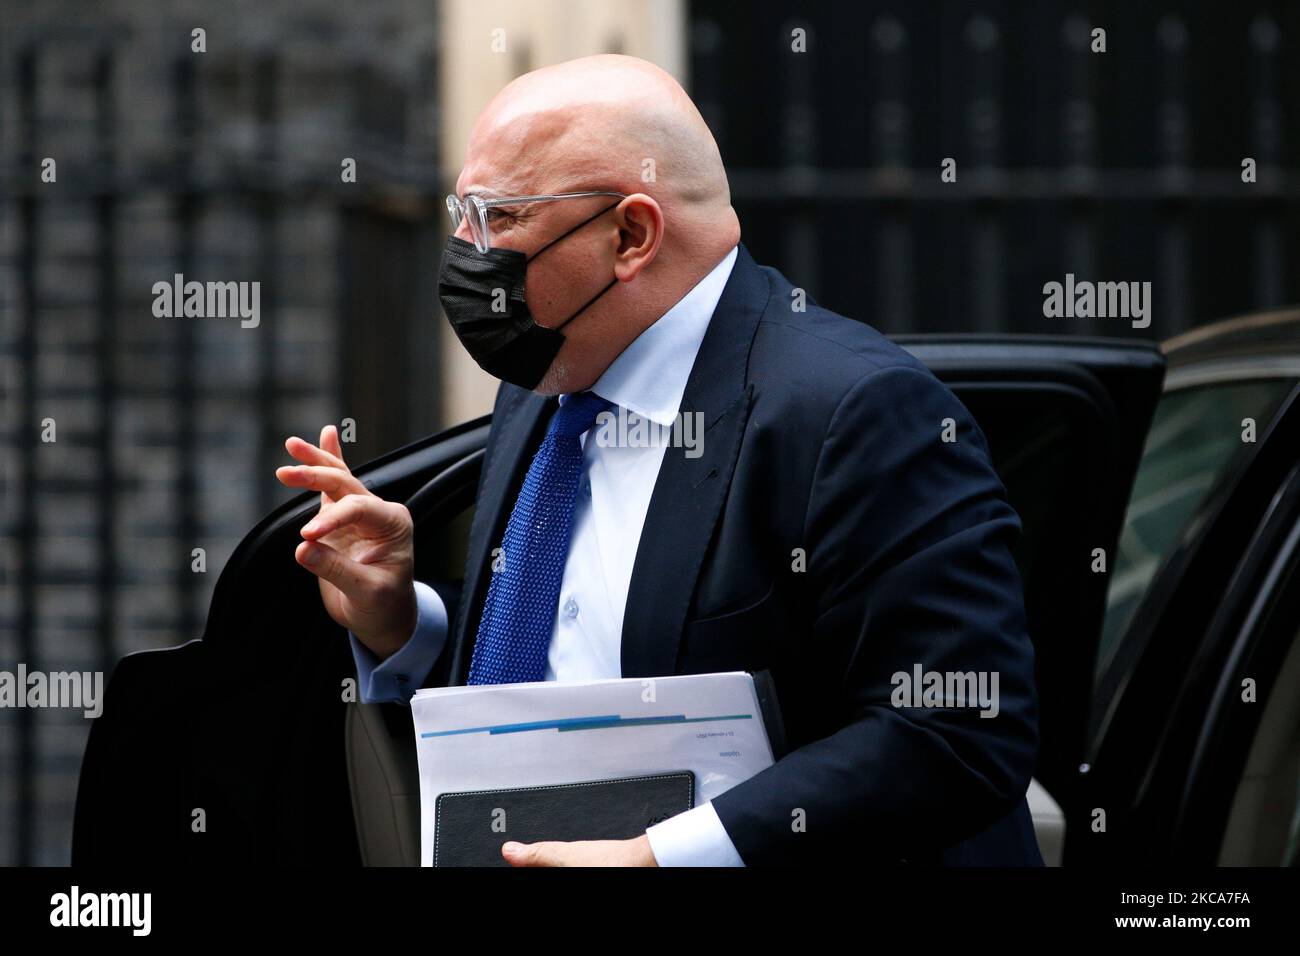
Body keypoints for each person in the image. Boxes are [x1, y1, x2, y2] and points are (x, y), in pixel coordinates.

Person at [275, 54, 1041, 867]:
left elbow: (960, 729)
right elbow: (564, 643)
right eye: (460, 213)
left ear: (631, 235)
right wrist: (402, 617)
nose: (466, 251)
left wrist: (660, 858)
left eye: (496, 218)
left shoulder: (855, 411)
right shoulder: (550, 375)